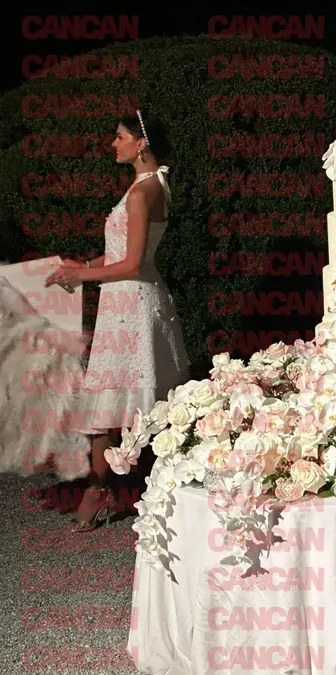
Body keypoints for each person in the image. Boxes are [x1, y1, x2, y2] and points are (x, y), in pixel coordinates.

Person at [44, 110, 190, 532]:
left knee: (138, 402)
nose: (113, 143)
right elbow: (122, 254)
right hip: (124, 304)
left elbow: (133, 264)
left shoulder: (144, 192)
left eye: (120, 136)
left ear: (141, 143)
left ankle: (152, 491)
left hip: (134, 308)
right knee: (113, 401)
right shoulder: (146, 185)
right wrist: (83, 265)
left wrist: (81, 277)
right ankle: (105, 490)